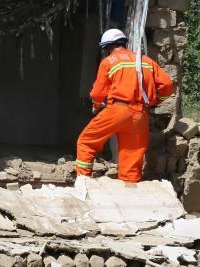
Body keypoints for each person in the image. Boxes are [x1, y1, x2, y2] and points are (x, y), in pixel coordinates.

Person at [75, 28, 174, 183]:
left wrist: (97, 105)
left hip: (117, 110)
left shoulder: (109, 61)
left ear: (108, 47)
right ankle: (129, 191)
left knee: (86, 141)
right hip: (140, 115)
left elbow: (97, 94)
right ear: (123, 43)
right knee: (132, 157)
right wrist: (154, 101)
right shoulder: (145, 61)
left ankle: (82, 181)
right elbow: (167, 85)